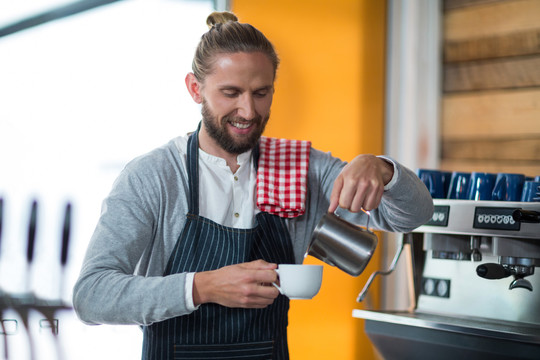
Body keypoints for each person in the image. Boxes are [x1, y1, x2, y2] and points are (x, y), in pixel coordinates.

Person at [73, 11, 433, 360]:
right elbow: (92, 296)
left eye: (261, 93)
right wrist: (202, 287)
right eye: (231, 93)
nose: (248, 111)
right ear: (195, 89)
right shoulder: (154, 176)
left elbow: (411, 216)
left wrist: (383, 169)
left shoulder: (298, 169)